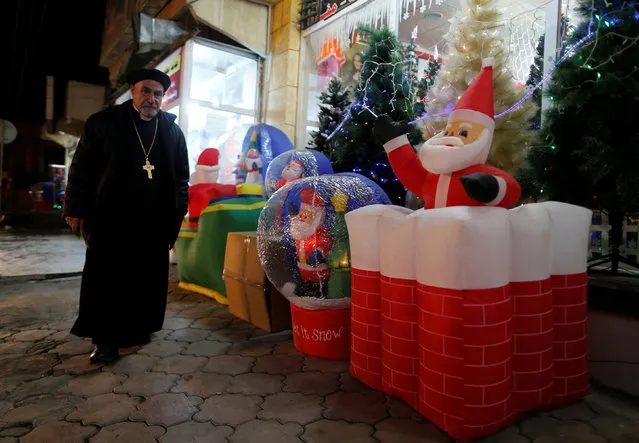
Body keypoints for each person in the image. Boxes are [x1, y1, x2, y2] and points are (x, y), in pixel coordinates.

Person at [63, 68, 189, 364]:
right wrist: (75, 209)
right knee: (107, 280)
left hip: (153, 223)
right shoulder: (104, 123)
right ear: (133, 90)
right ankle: (105, 340)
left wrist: (176, 218)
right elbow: (82, 168)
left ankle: (136, 329)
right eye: (146, 91)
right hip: (110, 219)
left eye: (158, 94)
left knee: (145, 281)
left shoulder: (171, 131)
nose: (152, 99)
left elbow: (181, 179)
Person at [372, 58, 521, 209]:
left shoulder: (479, 173)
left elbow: (512, 190)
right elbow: (412, 172)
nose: (451, 137)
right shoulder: (432, 175)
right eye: (449, 131)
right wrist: (395, 141)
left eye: (463, 132)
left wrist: (491, 188)